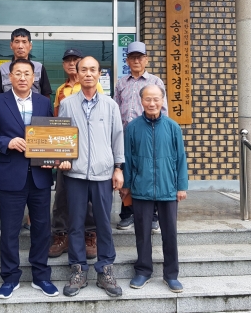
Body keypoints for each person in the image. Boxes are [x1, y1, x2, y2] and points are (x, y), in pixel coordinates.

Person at [0, 59, 59, 299]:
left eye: (27, 73)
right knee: (10, 230)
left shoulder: (44, 102)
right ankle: (10, 277)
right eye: (18, 73)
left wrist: (55, 157)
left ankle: (41, 276)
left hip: (39, 177)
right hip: (10, 175)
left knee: (42, 229)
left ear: (34, 78)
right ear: (10, 77)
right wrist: (7, 142)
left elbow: (51, 135)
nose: (23, 77)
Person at [58, 56, 125, 298]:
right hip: (74, 173)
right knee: (75, 224)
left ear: (99, 74)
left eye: (92, 70)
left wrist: (118, 168)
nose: (88, 73)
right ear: (76, 74)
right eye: (83, 69)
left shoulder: (110, 105)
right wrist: (62, 157)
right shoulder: (67, 103)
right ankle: (78, 269)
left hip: (103, 173)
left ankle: (105, 269)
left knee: (103, 224)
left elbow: (117, 137)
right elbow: (61, 136)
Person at [122, 84, 188, 293]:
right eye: (148, 99)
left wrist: (181, 186)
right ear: (141, 101)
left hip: (168, 188)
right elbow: (128, 158)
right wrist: (126, 186)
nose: (152, 103)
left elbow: (180, 158)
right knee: (142, 233)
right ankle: (143, 271)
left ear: (162, 100)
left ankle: (171, 275)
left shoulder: (172, 127)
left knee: (170, 234)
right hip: (141, 188)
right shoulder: (132, 127)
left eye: (156, 99)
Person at [49, 48, 103, 259]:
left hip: (90, 150)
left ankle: (90, 234)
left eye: (75, 61)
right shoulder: (61, 90)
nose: (72, 64)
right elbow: (57, 120)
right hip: (66, 149)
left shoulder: (93, 85)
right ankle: (60, 234)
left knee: (88, 196)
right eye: (68, 61)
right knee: (61, 194)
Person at [114, 41, 168, 231]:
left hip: (148, 134)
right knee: (127, 173)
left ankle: (152, 215)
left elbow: (164, 111)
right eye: (132, 57)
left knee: (148, 173)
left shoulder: (155, 82)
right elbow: (115, 110)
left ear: (146, 60)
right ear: (127, 60)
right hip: (125, 136)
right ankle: (127, 214)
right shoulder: (121, 83)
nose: (136, 61)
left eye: (140, 57)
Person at [0, 28, 52, 97]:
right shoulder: (2, 69)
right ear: (11, 45)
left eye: (24, 42)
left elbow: (46, 95)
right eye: (17, 42)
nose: (20, 46)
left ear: (30, 46)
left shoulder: (39, 68)